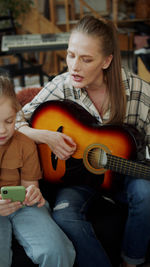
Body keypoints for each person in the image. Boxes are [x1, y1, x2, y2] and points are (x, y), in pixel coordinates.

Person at [16, 15, 150, 267]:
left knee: (146, 191)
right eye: (71, 55)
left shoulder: (137, 90)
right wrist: (46, 136)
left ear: (107, 60)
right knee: (64, 217)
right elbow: (13, 120)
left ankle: (132, 261)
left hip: (124, 172)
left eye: (86, 59)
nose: (74, 67)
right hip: (79, 178)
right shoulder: (63, 85)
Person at [0, 75, 75, 267]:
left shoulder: (24, 143)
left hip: (23, 206)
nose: (2, 130)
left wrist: (33, 193)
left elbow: (29, 186)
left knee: (56, 250)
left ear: (16, 113)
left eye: (9, 121)